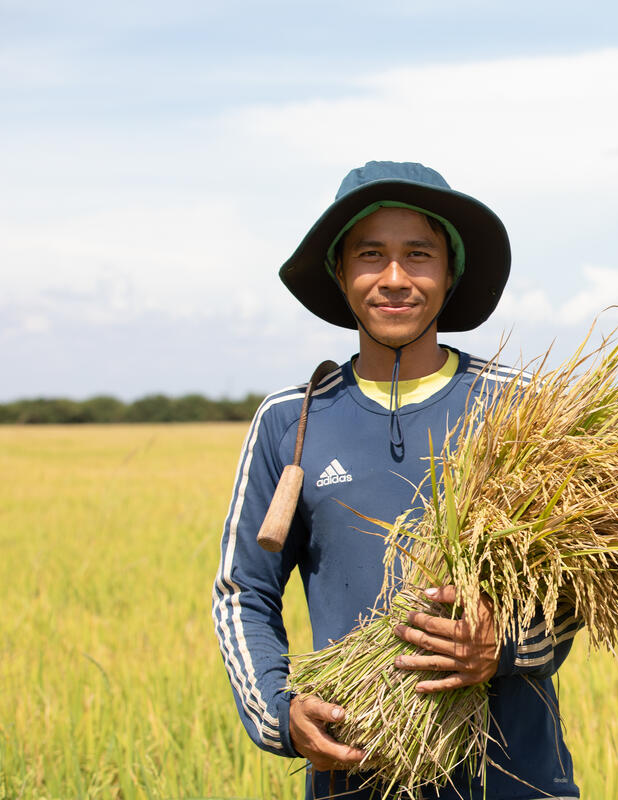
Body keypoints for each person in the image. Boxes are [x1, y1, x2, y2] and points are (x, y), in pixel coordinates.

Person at [211, 161, 581, 800]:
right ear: (339, 272)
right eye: (370, 255)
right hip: (358, 773)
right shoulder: (291, 423)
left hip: (514, 777)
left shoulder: (522, 409)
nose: (394, 278)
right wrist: (279, 710)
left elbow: (584, 586)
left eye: (418, 254)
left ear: (450, 272)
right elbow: (243, 591)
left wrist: (503, 647)